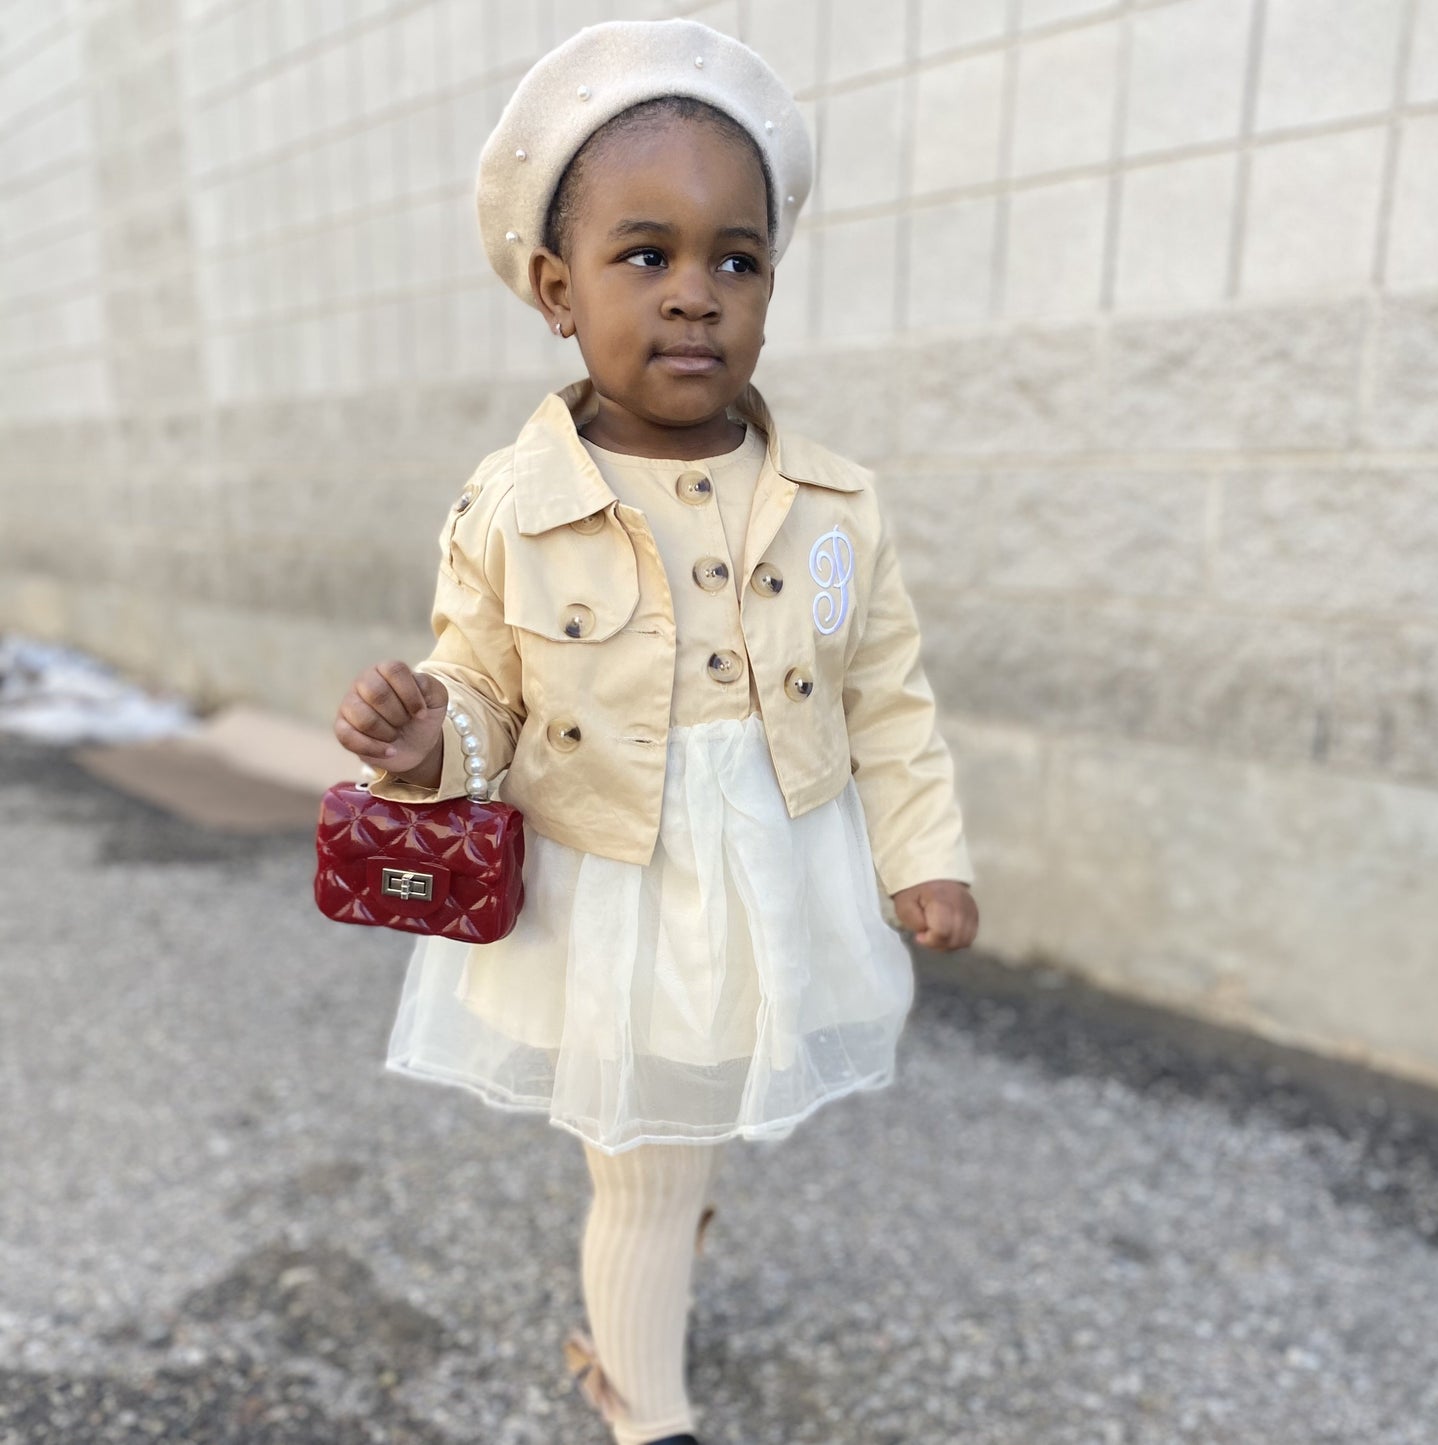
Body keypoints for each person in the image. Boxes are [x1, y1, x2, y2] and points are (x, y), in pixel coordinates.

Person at [331, 19, 979, 1445]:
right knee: (637, 1155)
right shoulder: (517, 500)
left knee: (676, 1128)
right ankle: (643, 1402)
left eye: (732, 260)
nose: (695, 295)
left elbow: (885, 688)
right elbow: (484, 691)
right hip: (609, 880)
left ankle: (648, 1286)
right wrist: (423, 739)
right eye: (646, 255)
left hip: (767, 868)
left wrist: (920, 851)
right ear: (557, 290)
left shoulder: (829, 502)